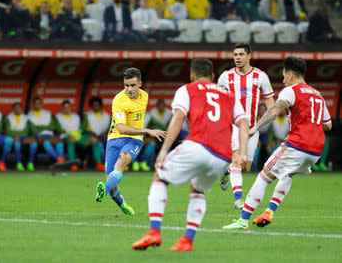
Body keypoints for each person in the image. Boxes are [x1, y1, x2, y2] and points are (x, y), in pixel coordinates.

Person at [132, 59, 249, 251]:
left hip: (197, 145)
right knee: (197, 190)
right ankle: (187, 240)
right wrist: (242, 152)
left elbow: (178, 118)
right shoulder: (229, 96)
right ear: (213, 77)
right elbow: (243, 123)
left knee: (159, 178)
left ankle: (154, 231)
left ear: (192, 76)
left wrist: (163, 150)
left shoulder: (187, 89)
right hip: (222, 156)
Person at [222, 57, 332, 230]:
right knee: (288, 174)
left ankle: (243, 221)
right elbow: (328, 124)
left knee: (263, 177)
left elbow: (274, 111)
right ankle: (269, 212)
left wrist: (255, 127)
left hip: (297, 144)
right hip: (315, 151)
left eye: (283, 75)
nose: (282, 79)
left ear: (290, 74)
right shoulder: (317, 95)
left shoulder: (291, 90)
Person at [95, 68, 166, 215]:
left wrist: (142, 132)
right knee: (113, 182)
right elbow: (121, 128)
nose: (129, 89)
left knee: (121, 163)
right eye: (126, 85)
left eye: (132, 85)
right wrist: (147, 131)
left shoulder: (144, 96)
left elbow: (136, 120)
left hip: (134, 139)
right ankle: (121, 203)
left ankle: (103, 190)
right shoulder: (119, 100)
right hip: (115, 138)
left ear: (140, 84)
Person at [217, 43, 275, 210]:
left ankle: (226, 171)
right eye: (235, 54)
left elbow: (270, 101)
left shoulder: (260, 76)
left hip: (252, 127)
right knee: (237, 159)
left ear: (249, 56)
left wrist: (263, 121)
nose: (237, 57)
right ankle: (238, 200)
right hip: (234, 125)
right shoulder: (225, 77)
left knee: (246, 166)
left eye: (241, 54)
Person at [133, 99, 171, 172]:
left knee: (152, 143)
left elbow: (159, 125)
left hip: (144, 135)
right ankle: (134, 162)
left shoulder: (148, 115)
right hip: (131, 135)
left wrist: (166, 131)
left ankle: (145, 163)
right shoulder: (130, 113)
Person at [27, 97, 65, 165]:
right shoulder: (29, 116)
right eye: (35, 104)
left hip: (50, 134)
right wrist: (46, 127)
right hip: (38, 136)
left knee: (59, 142)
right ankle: (59, 160)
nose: (37, 105)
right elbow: (34, 131)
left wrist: (40, 126)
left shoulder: (47, 113)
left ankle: (59, 160)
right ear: (32, 104)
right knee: (46, 142)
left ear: (41, 104)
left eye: (39, 103)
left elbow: (52, 127)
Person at [81, 97, 111, 171]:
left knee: (111, 143)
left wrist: (104, 133)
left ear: (100, 106)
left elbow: (110, 127)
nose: (96, 107)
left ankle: (111, 163)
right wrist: (91, 132)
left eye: (97, 105)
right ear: (91, 106)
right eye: (94, 105)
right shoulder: (87, 115)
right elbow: (83, 128)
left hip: (104, 136)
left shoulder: (107, 116)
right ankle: (102, 163)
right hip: (91, 136)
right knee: (99, 145)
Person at [4, 102, 34, 171]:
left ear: (21, 109)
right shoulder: (8, 117)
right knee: (17, 143)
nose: (17, 109)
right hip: (13, 137)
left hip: (23, 138)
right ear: (13, 109)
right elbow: (8, 132)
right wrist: (19, 134)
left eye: (19, 108)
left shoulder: (26, 118)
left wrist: (16, 133)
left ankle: (30, 163)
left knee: (34, 143)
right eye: (15, 108)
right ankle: (18, 163)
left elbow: (26, 132)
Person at [55, 100, 82, 171]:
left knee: (94, 140)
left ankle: (100, 163)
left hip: (78, 137)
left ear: (71, 108)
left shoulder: (77, 117)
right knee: (71, 140)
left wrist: (77, 134)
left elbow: (80, 128)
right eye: (64, 107)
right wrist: (69, 134)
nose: (66, 109)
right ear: (62, 108)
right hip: (64, 137)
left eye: (68, 107)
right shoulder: (58, 117)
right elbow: (59, 129)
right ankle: (72, 164)